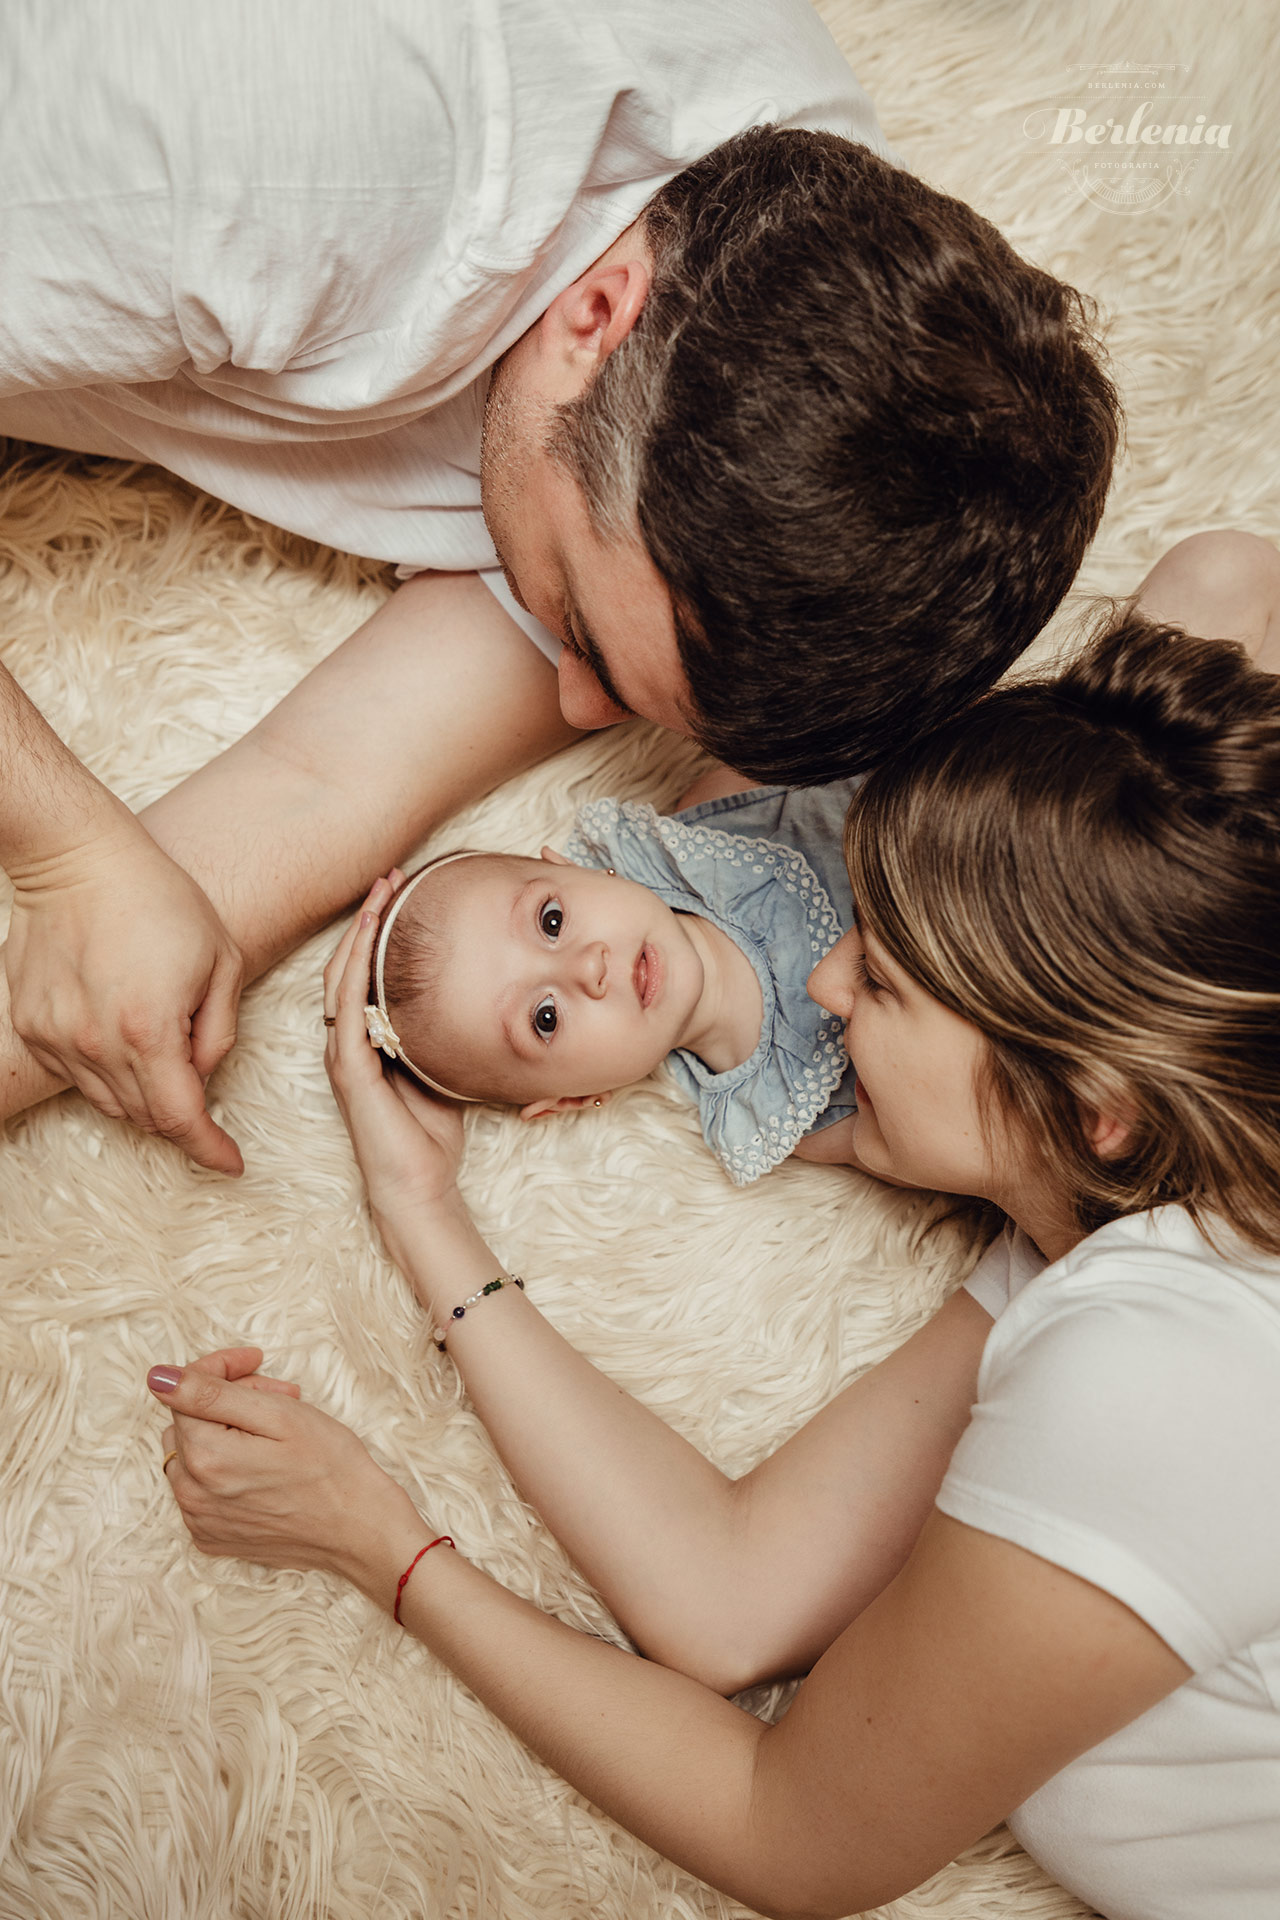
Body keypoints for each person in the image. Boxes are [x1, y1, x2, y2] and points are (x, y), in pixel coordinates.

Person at [147, 534, 1280, 1919]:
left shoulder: (1161, 1369)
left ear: (1091, 1102)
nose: (824, 976)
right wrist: (420, 1205)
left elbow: (789, 1823)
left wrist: (387, 1548)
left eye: (893, 978)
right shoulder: (1119, 1177)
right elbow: (725, 1597)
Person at [0, 0, 1120, 1172]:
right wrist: (68, 851)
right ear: (596, 314)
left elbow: (319, 788)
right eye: (580, 633)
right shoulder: (243, 170)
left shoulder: (814, 329)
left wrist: (109, 950)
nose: (574, 708)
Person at [364, 776, 870, 1186]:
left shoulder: (715, 821)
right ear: (575, 1097)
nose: (589, 968)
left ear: (572, 868)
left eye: (552, 921)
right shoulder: (787, 1116)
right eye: (546, 1018)